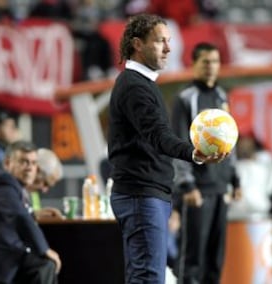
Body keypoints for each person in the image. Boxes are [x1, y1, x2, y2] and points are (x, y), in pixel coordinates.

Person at [107, 14, 225, 284]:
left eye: (169, 41)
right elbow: (159, 136)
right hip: (140, 194)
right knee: (148, 277)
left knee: (144, 275)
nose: (169, 48)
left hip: (146, 194)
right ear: (137, 44)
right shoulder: (134, 86)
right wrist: (194, 152)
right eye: (161, 41)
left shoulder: (142, 84)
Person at [170, 42, 241, 284]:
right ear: (194, 65)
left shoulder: (222, 96)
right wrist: (187, 185)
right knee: (192, 260)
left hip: (221, 188)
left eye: (215, 61)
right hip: (197, 190)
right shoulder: (185, 99)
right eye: (205, 62)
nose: (211, 67)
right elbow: (178, 143)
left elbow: (231, 141)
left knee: (215, 260)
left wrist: (235, 179)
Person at [0, 140, 61, 284]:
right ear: (8, 163)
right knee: (45, 265)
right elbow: (18, 216)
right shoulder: (3, 181)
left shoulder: (13, 186)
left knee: (44, 266)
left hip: (8, 253)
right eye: (23, 162)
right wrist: (45, 250)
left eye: (33, 163)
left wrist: (33, 214)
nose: (30, 168)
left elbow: (10, 213)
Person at [26, 148, 64, 220]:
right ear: (37, 170)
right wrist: (34, 215)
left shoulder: (33, 195)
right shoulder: (9, 188)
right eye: (45, 184)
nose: (44, 191)